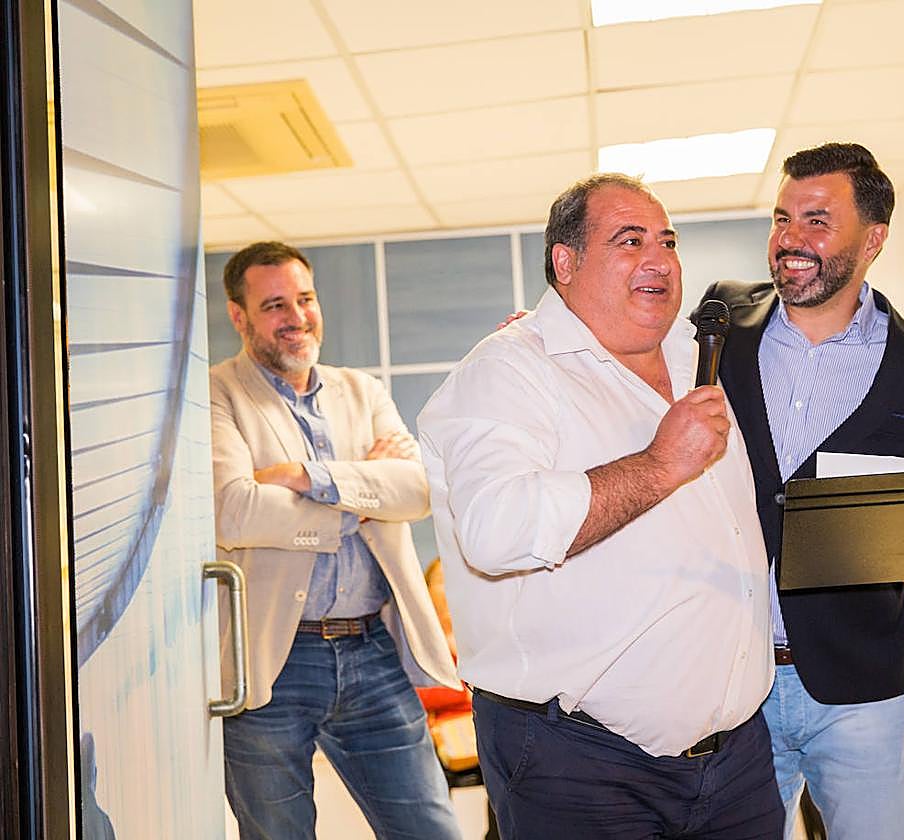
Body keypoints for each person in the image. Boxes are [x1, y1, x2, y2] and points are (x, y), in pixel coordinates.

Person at [418, 174, 782, 840]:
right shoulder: (506, 372)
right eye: (630, 241)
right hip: (579, 763)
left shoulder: (699, 354)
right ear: (566, 262)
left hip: (736, 760)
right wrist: (658, 465)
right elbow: (497, 530)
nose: (659, 260)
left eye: (667, 241)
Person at [697, 143, 904, 839]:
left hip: (862, 687)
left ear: (873, 240)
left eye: (817, 221)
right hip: (730, 683)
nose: (790, 238)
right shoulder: (720, 321)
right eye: (782, 218)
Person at [210, 241, 461, 840]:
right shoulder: (217, 393)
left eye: (305, 298)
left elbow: (417, 491)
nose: (297, 316)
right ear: (239, 316)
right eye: (275, 305)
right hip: (274, 659)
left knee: (431, 831)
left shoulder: (362, 391)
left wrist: (307, 478)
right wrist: (363, 491)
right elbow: (234, 511)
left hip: (374, 649)